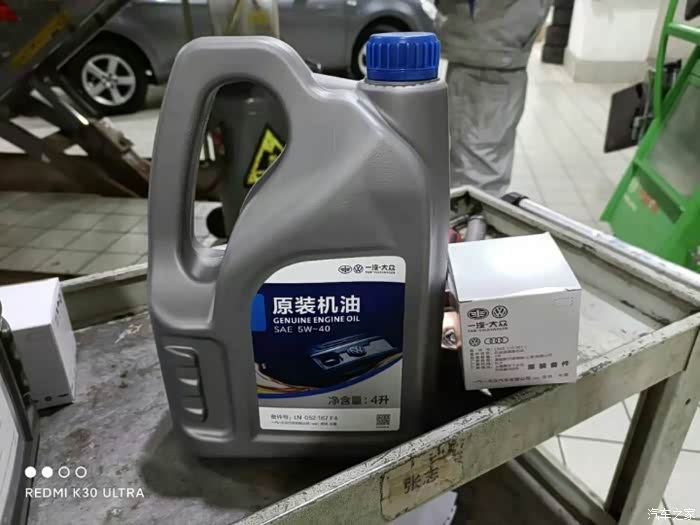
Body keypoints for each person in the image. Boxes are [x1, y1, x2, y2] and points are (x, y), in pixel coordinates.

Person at [437, 0, 552, 195]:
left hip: (485, 46)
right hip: (502, 44)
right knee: (486, 165)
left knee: (476, 174)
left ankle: (476, 212)